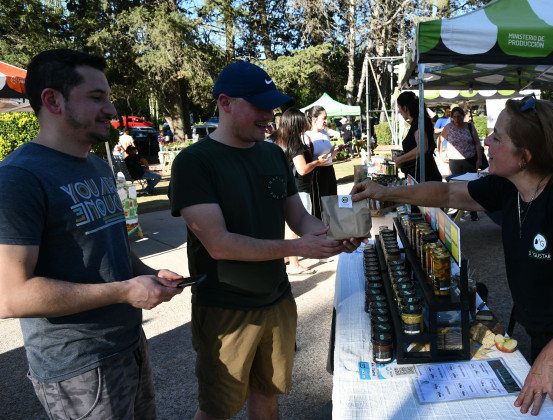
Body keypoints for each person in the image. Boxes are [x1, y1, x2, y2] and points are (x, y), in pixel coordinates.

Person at [351, 94, 553, 419]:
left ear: (524, 156)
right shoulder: (508, 186)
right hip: (547, 338)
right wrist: (387, 192)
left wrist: (548, 360)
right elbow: (448, 192)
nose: (488, 141)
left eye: (498, 136)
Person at [169, 61, 362, 420]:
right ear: (225, 103)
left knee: (268, 396)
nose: (269, 114)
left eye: (271, 105)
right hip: (226, 310)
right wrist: (295, 248)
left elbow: (299, 217)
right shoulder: (194, 162)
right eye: (258, 105)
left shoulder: (273, 153)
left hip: (276, 300)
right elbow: (219, 244)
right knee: (218, 410)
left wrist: (331, 236)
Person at [0, 49, 184, 419]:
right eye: (97, 98)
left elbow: (111, 247)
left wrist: (146, 275)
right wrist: (124, 291)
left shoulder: (98, 166)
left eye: (109, 97)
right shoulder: (18, 178)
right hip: (78, 368)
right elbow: (10, 296)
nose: (112, 110)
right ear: (52, 100)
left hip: (129, 344)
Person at [270, 108, 329, 276]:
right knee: (294, 228)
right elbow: (302, 169)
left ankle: (286, 257)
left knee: (286, 226)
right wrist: (317, 162)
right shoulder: (294, 142)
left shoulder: (274, 139)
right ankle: (295, 263)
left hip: (280, 187)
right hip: (298, 187)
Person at [438, 106, 484, 221]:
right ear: (451, 117)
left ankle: (473, 212)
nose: (457, 119)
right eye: (454, 117)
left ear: (463, 116)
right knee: (457, 187)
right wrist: (441, 154)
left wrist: (479, 159)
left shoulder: (469, 126)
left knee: (472, 186)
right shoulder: (449, 127)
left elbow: (477, 143)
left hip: (470, 159)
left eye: (459, 116)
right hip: (455, 161)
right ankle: (459, 210)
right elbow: (440, 140)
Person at [393, 91, 443, 183]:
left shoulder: (418, 122)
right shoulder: (419, 121)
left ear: (405, 108)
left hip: (425, 177)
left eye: (399, 108)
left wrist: (401, 159)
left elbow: (422, 148)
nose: (399, 111)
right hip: (423, 175)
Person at [305, 105, 340, 220]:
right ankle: (319, 233)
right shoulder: (307, 136)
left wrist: (334, 151)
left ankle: (332, 232)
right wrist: (318, 161)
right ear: (314, 119)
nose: (326, 121)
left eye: (326, 118)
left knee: (332, 202)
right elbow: (306, 161)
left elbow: (329, 156)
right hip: (317, 173)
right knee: (320, 205)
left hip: (330, 170)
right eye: (323, 118)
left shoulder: (324, 133)